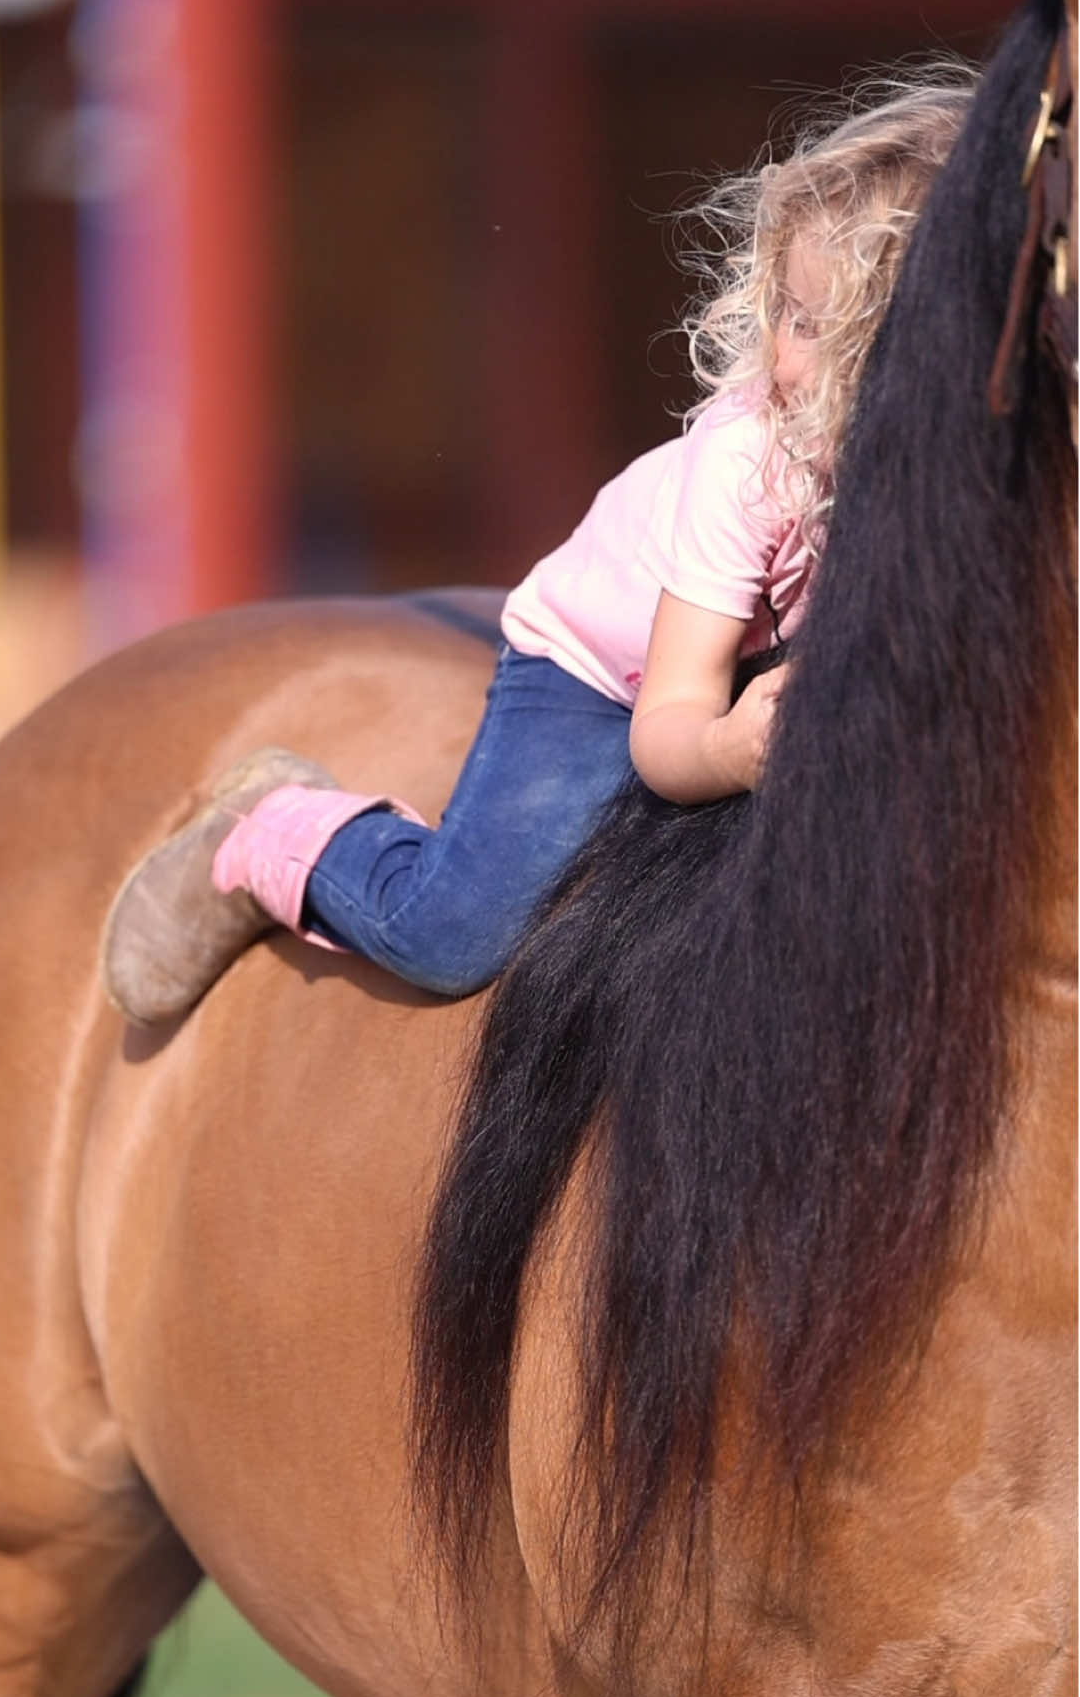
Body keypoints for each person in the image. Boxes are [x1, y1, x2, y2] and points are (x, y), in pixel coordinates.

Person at [102, 67, 975, 1025]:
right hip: (608, 680)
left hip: (756, 665)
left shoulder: (966, 474)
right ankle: (273, 836)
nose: (780, 355)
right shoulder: (748, 465)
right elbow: (667, 725)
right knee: (452, 934)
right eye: (784, 314)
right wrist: (729, 750)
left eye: (819, 328)